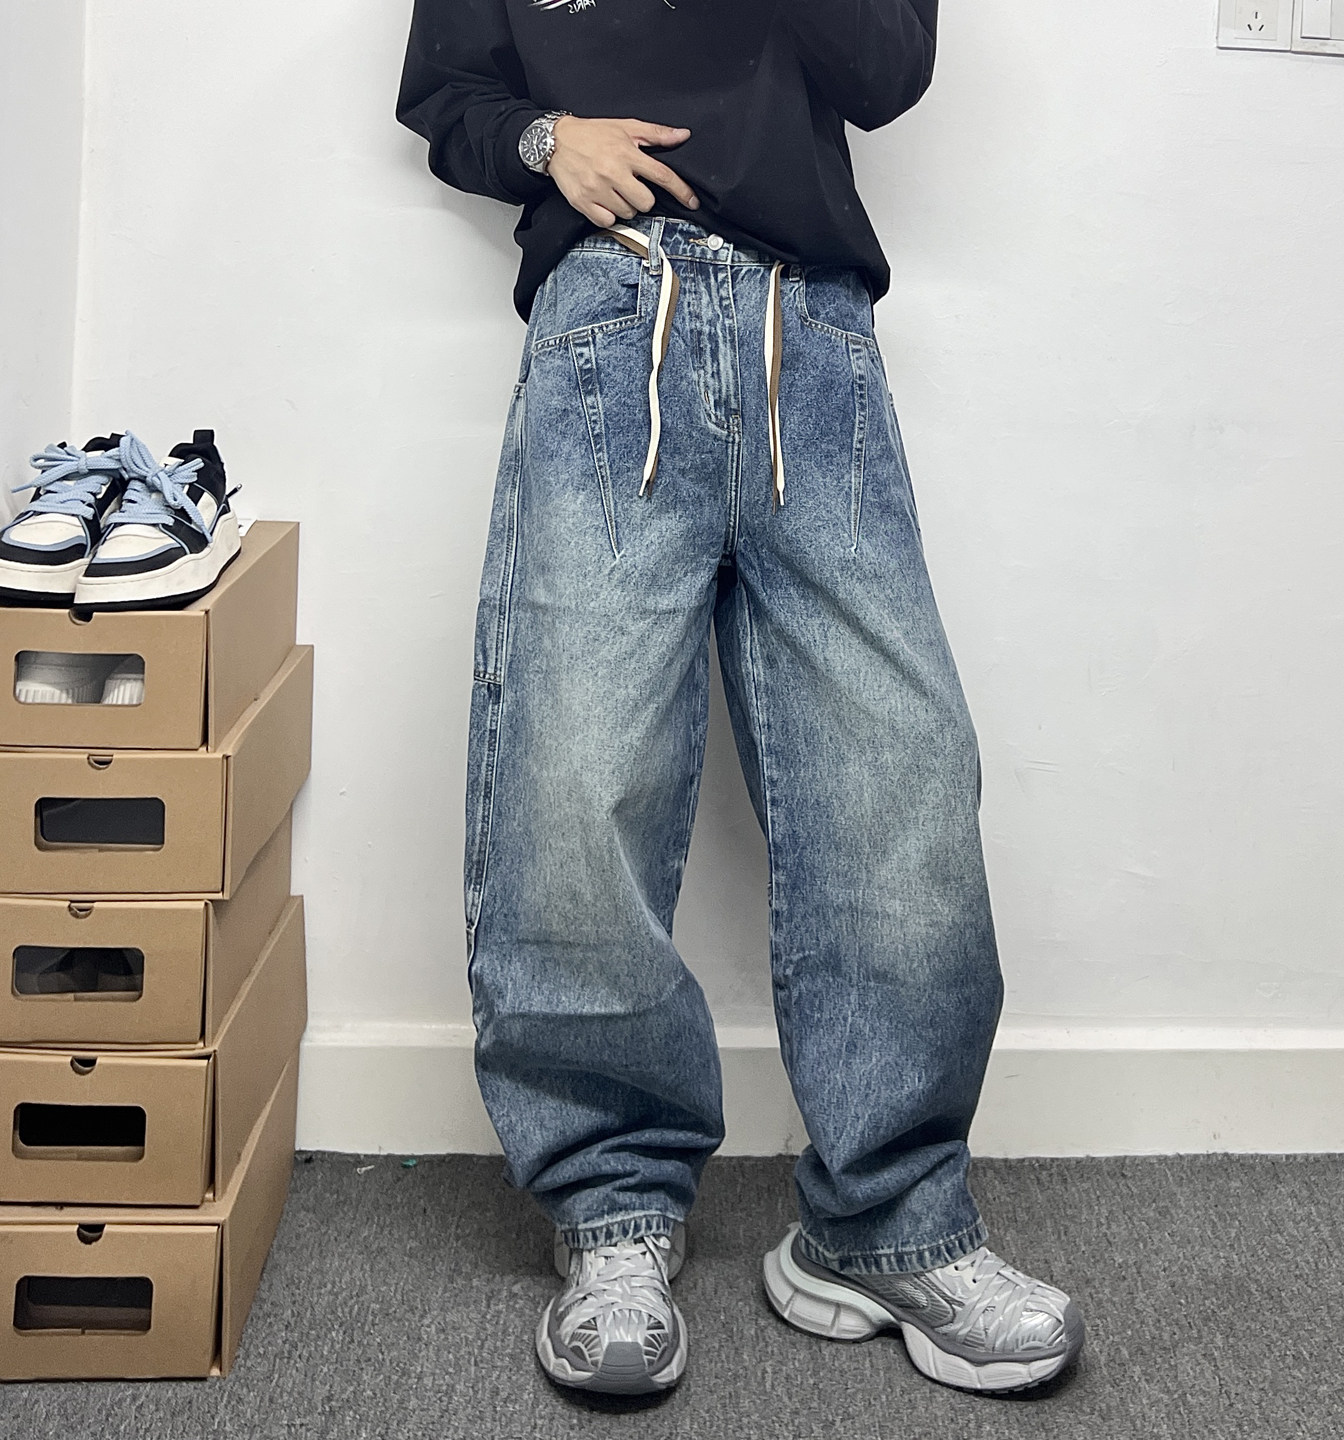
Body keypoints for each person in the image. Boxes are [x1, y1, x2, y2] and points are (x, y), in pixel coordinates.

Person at [397, 0, 1085, 1398]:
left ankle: (887, 1227)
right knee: (577, 779)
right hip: (608, 319)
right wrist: (546, 139)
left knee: (897, 779)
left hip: (808, 335)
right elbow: (447, 93)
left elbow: (885, 70)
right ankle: (613, 1216)